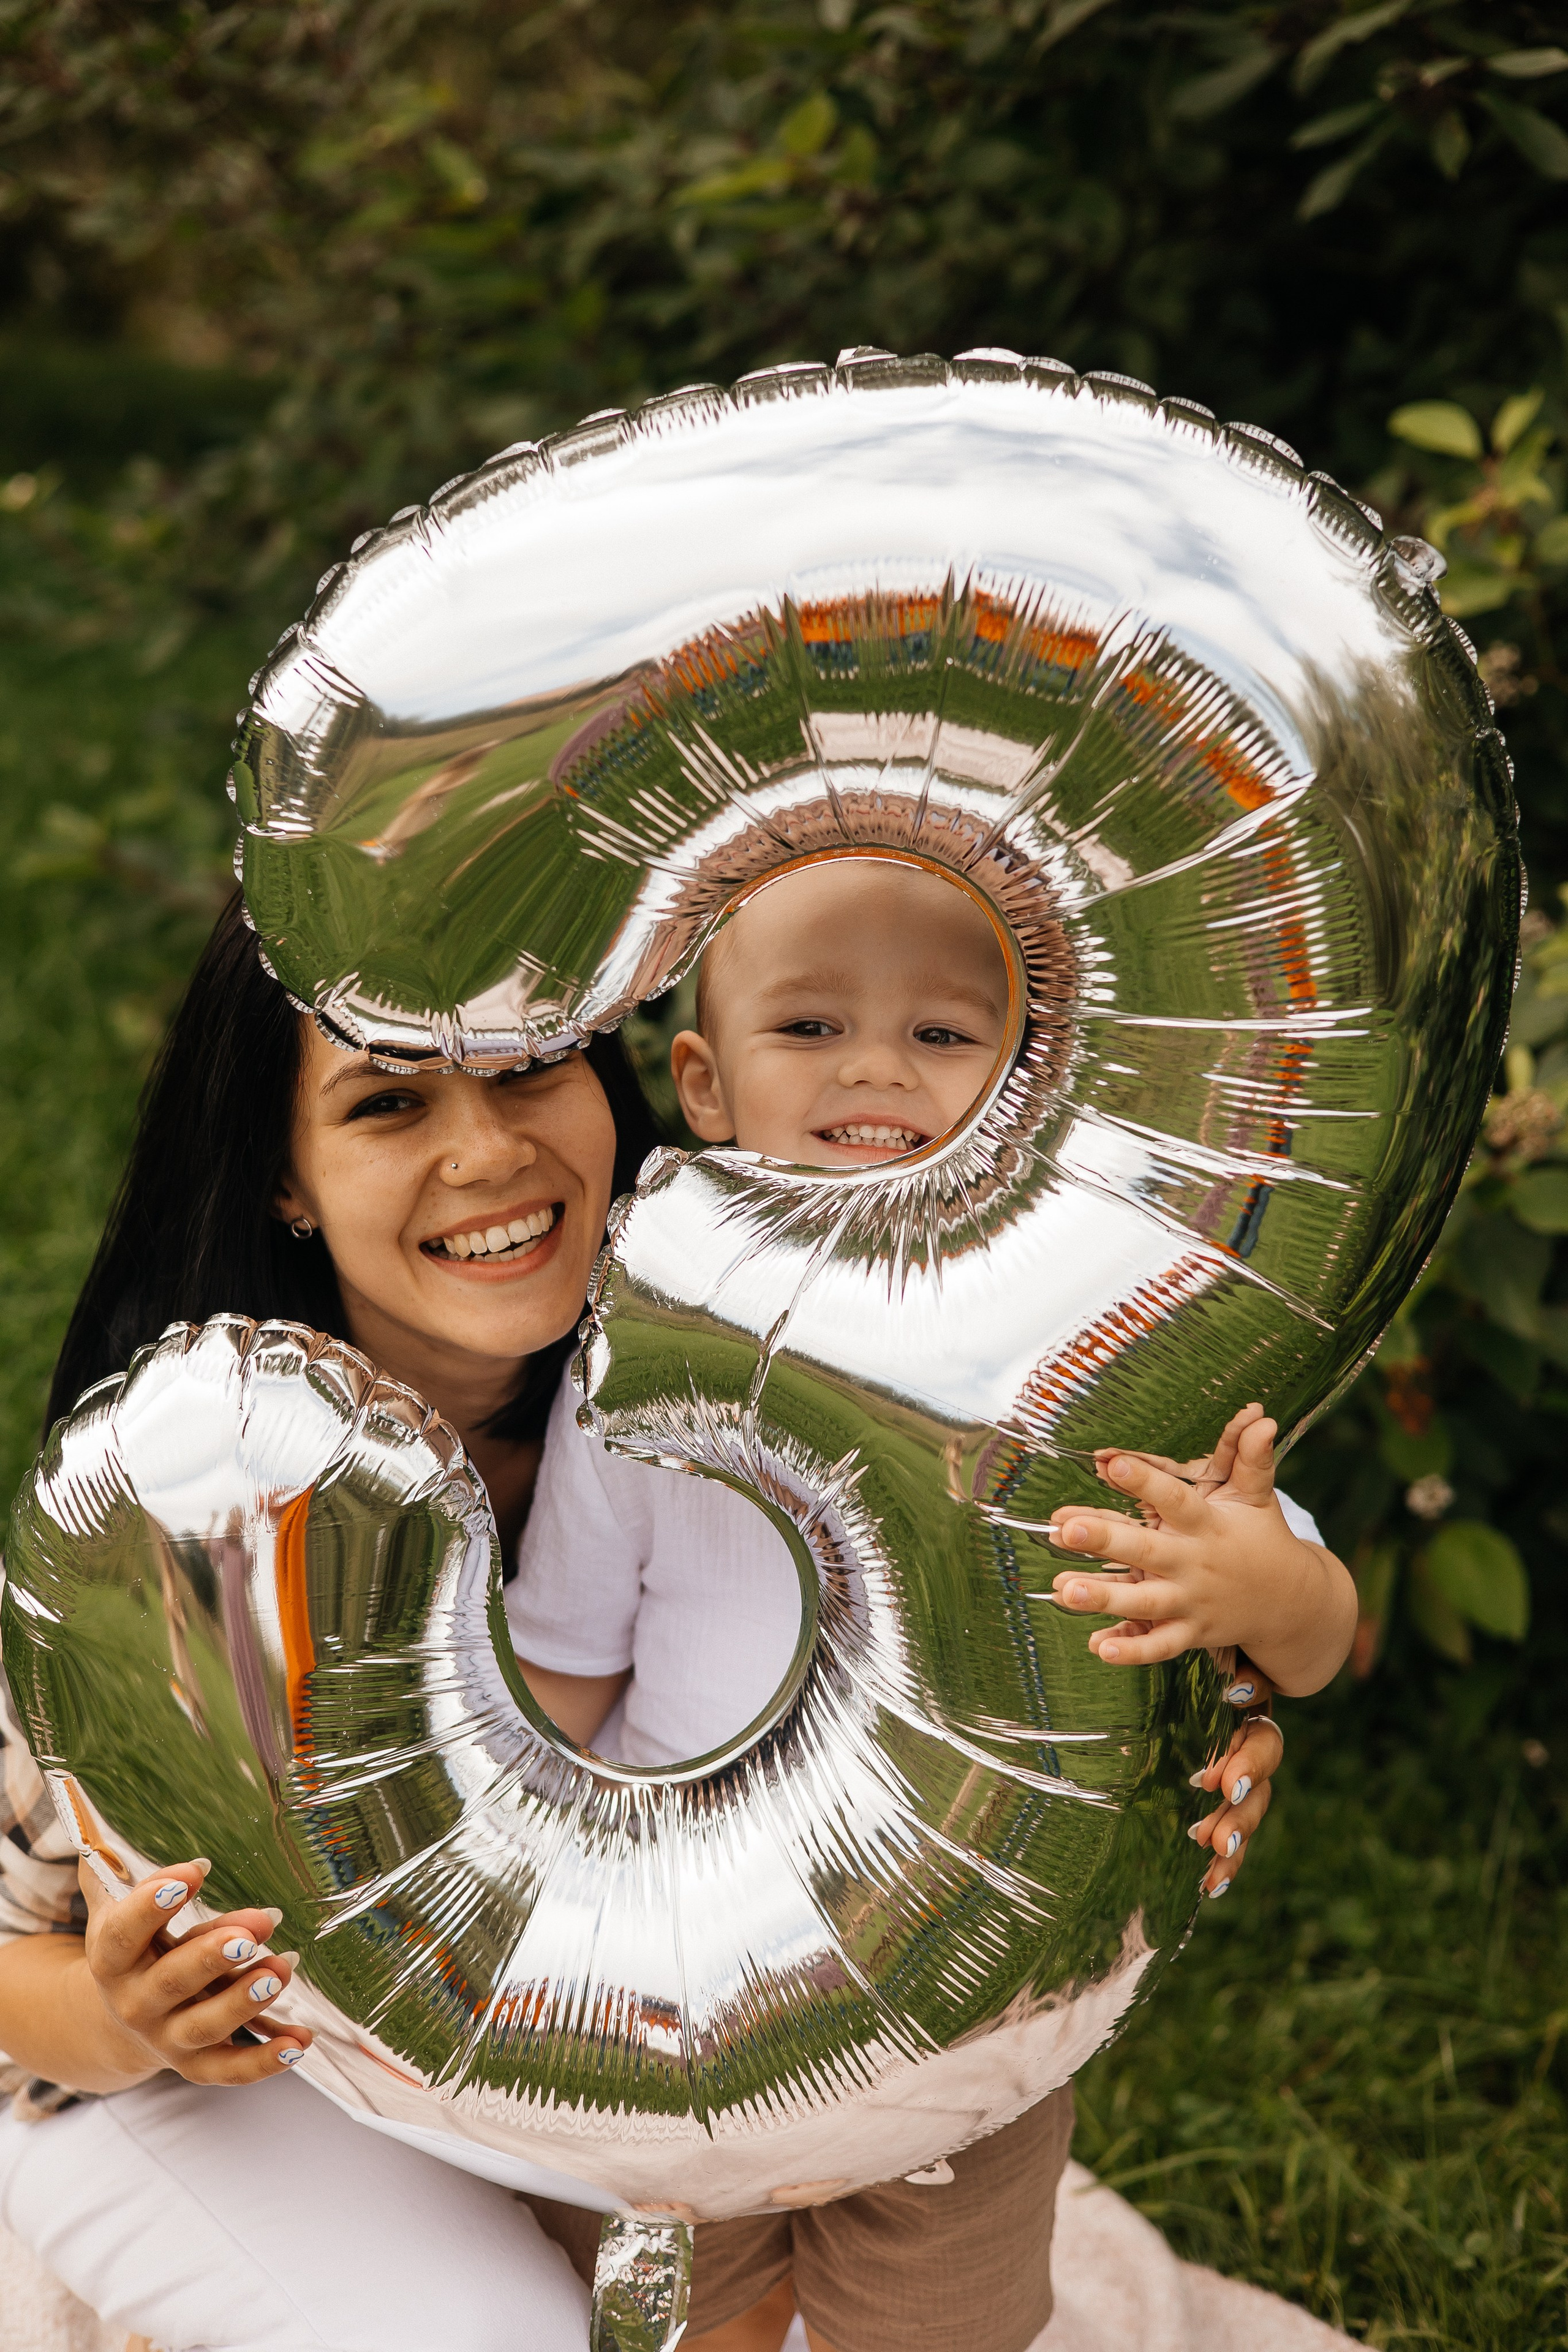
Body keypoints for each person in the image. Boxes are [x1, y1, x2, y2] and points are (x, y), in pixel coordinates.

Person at [504, 858, 1352, 2352]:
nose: (877, 1066)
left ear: (1024, 1092)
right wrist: (532, 1898)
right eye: (811, 1028)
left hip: (971, 1995)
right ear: (701, 1082)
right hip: (686, 1978)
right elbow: (568, 1664)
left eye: (944, 1036)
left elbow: (1314, 1639)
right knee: (679, 2304)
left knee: (937, 2319)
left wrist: (1252, 1581)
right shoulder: (642, 1357)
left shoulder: (1074, 1342)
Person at [0, 891, 660, 2352]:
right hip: (178, 2079)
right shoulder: (188, 1500)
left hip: (545, 2038)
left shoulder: (731, 1393)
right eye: (386, 1103)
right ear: (285, 1179)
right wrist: (129, 2015)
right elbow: (7, 1954)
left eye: (526, 1065)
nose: (488, 1152)